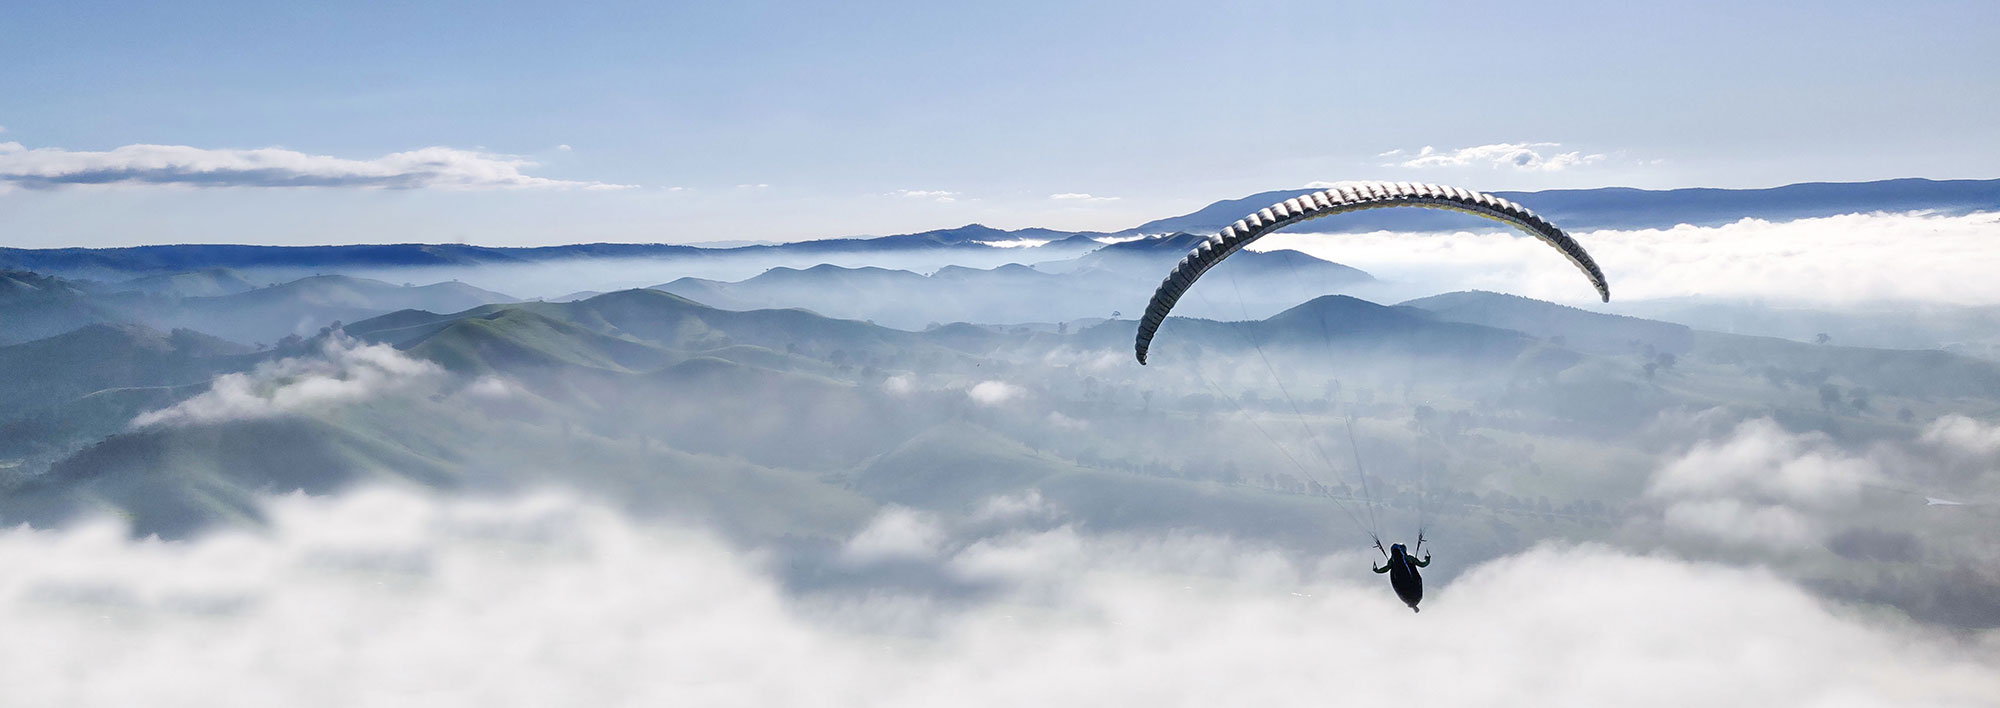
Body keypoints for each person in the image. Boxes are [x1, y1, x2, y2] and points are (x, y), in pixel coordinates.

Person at [1372, 542, 1430, 613]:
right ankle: (1413, 605)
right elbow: (1422, 564)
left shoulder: (1392, 561)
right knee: (1414, 585)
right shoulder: (1408, 558)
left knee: (1405, 589)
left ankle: (1413, 605)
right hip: (1411, 581)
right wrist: (1427, 559)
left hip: (1400, 581)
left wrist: (1377, 570)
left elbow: (1386, 569)